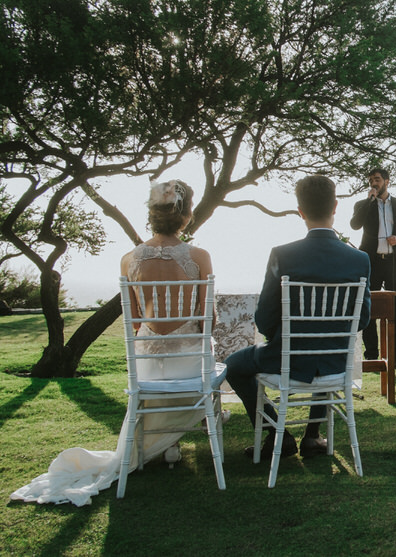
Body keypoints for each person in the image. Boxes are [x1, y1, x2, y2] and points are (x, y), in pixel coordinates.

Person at [11, 180, 215, 506]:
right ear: (187, 216)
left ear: (152, 215)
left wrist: (156, 339)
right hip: (189, 366)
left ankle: (164, 444)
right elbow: (209, 320)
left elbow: (134, 320)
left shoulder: (128, 260)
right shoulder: (200, 257)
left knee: (154, 362)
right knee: (213, 364)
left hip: (146, 366)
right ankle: (173, 438)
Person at [225, 175, 372, 461]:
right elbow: (363, 319)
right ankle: (313, 435)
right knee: (324, 355)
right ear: (335, 208)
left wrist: (281, 341)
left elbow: (265, 318)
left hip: (287, 356)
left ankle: (274, 433)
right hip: (334, 359)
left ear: (300, 211)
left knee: (232, 365)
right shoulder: (359, 259)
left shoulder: (283, 255)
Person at [350, 167, 396, 371]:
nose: (374, 183)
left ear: (387, 181)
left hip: (395, 263)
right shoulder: (363, 204)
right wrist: (370, 201)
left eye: (377, 179)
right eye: (371, 180)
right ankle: (371, 355)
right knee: (368, 308)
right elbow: (354, 225)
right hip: (371, 262)